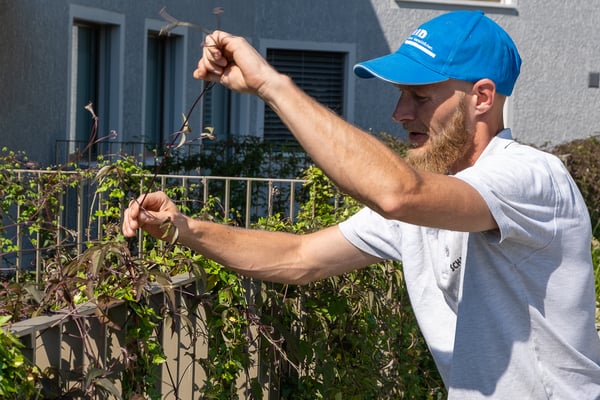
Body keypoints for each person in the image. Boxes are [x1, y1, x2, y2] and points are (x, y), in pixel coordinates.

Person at [123, 10, 600, 399]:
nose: (400, 112)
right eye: (400, 94)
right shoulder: (431, 201)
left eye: (419, 95)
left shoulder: (531, 177)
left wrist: (272, 84)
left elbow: (396, 193)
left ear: (481, 97)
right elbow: (298, 258)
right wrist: (180, 229)